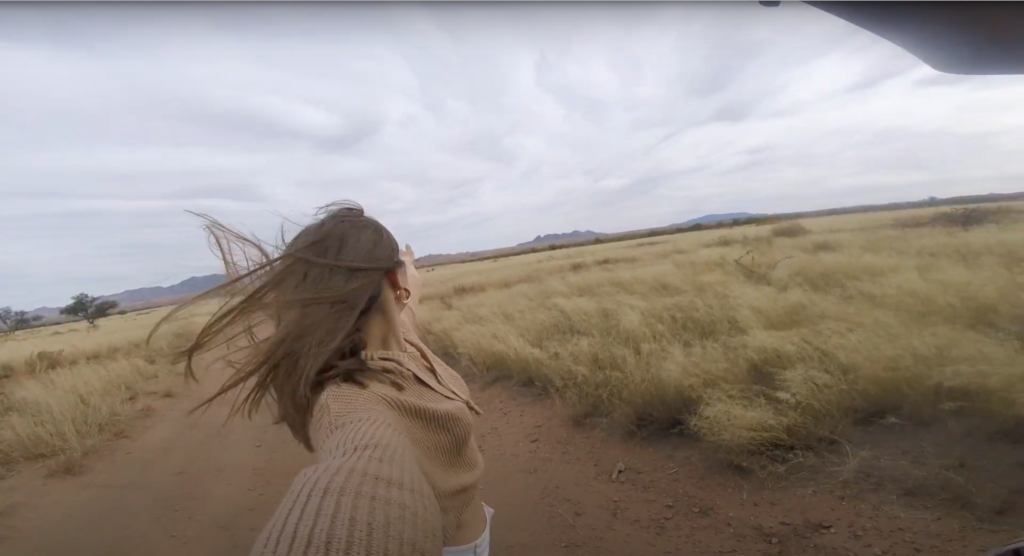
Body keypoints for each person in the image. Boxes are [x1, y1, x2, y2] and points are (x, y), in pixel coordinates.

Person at [150, 201, 492, 556]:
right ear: (392, 281)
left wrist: (406, 265)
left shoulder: (400, 337)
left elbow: (409, 298)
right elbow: (355, 486)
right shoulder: (351, 405)